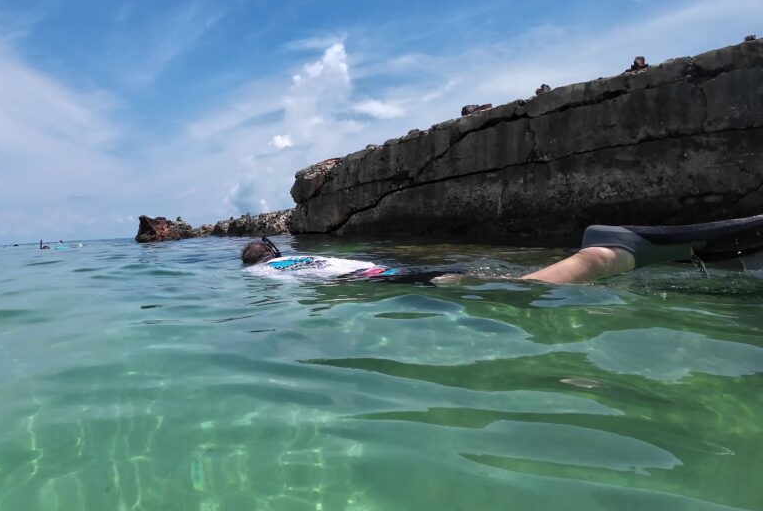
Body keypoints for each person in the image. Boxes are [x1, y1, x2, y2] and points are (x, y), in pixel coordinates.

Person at [242, 214, 763, 285]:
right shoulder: (280, 262)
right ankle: (659, 255)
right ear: (266, 249)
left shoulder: (264, 276)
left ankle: (612, 252)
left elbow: (316, 295)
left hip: (376, 282)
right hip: (387, 269)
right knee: (480, 278)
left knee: (519, 292)